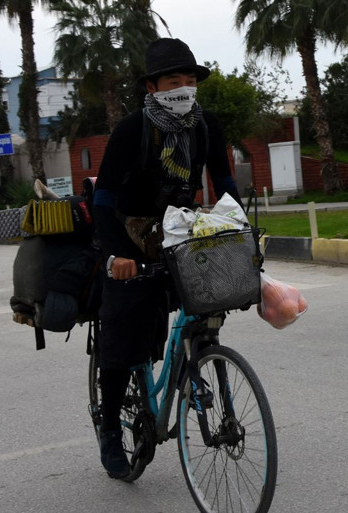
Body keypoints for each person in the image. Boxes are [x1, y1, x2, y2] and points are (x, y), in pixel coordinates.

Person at [92, 38, 243, 478]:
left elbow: (226, 184)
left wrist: (237, 231)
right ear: (153, 86)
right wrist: (116, 253)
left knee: (207, 306)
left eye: (190, 80)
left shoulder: (206, 126)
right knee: (123, 333)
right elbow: (103, 197)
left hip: (180, 228)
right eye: (173, 81)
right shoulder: (132, 130)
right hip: (129, 234)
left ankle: (197, 358)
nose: (183, 88)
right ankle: (109, 428)